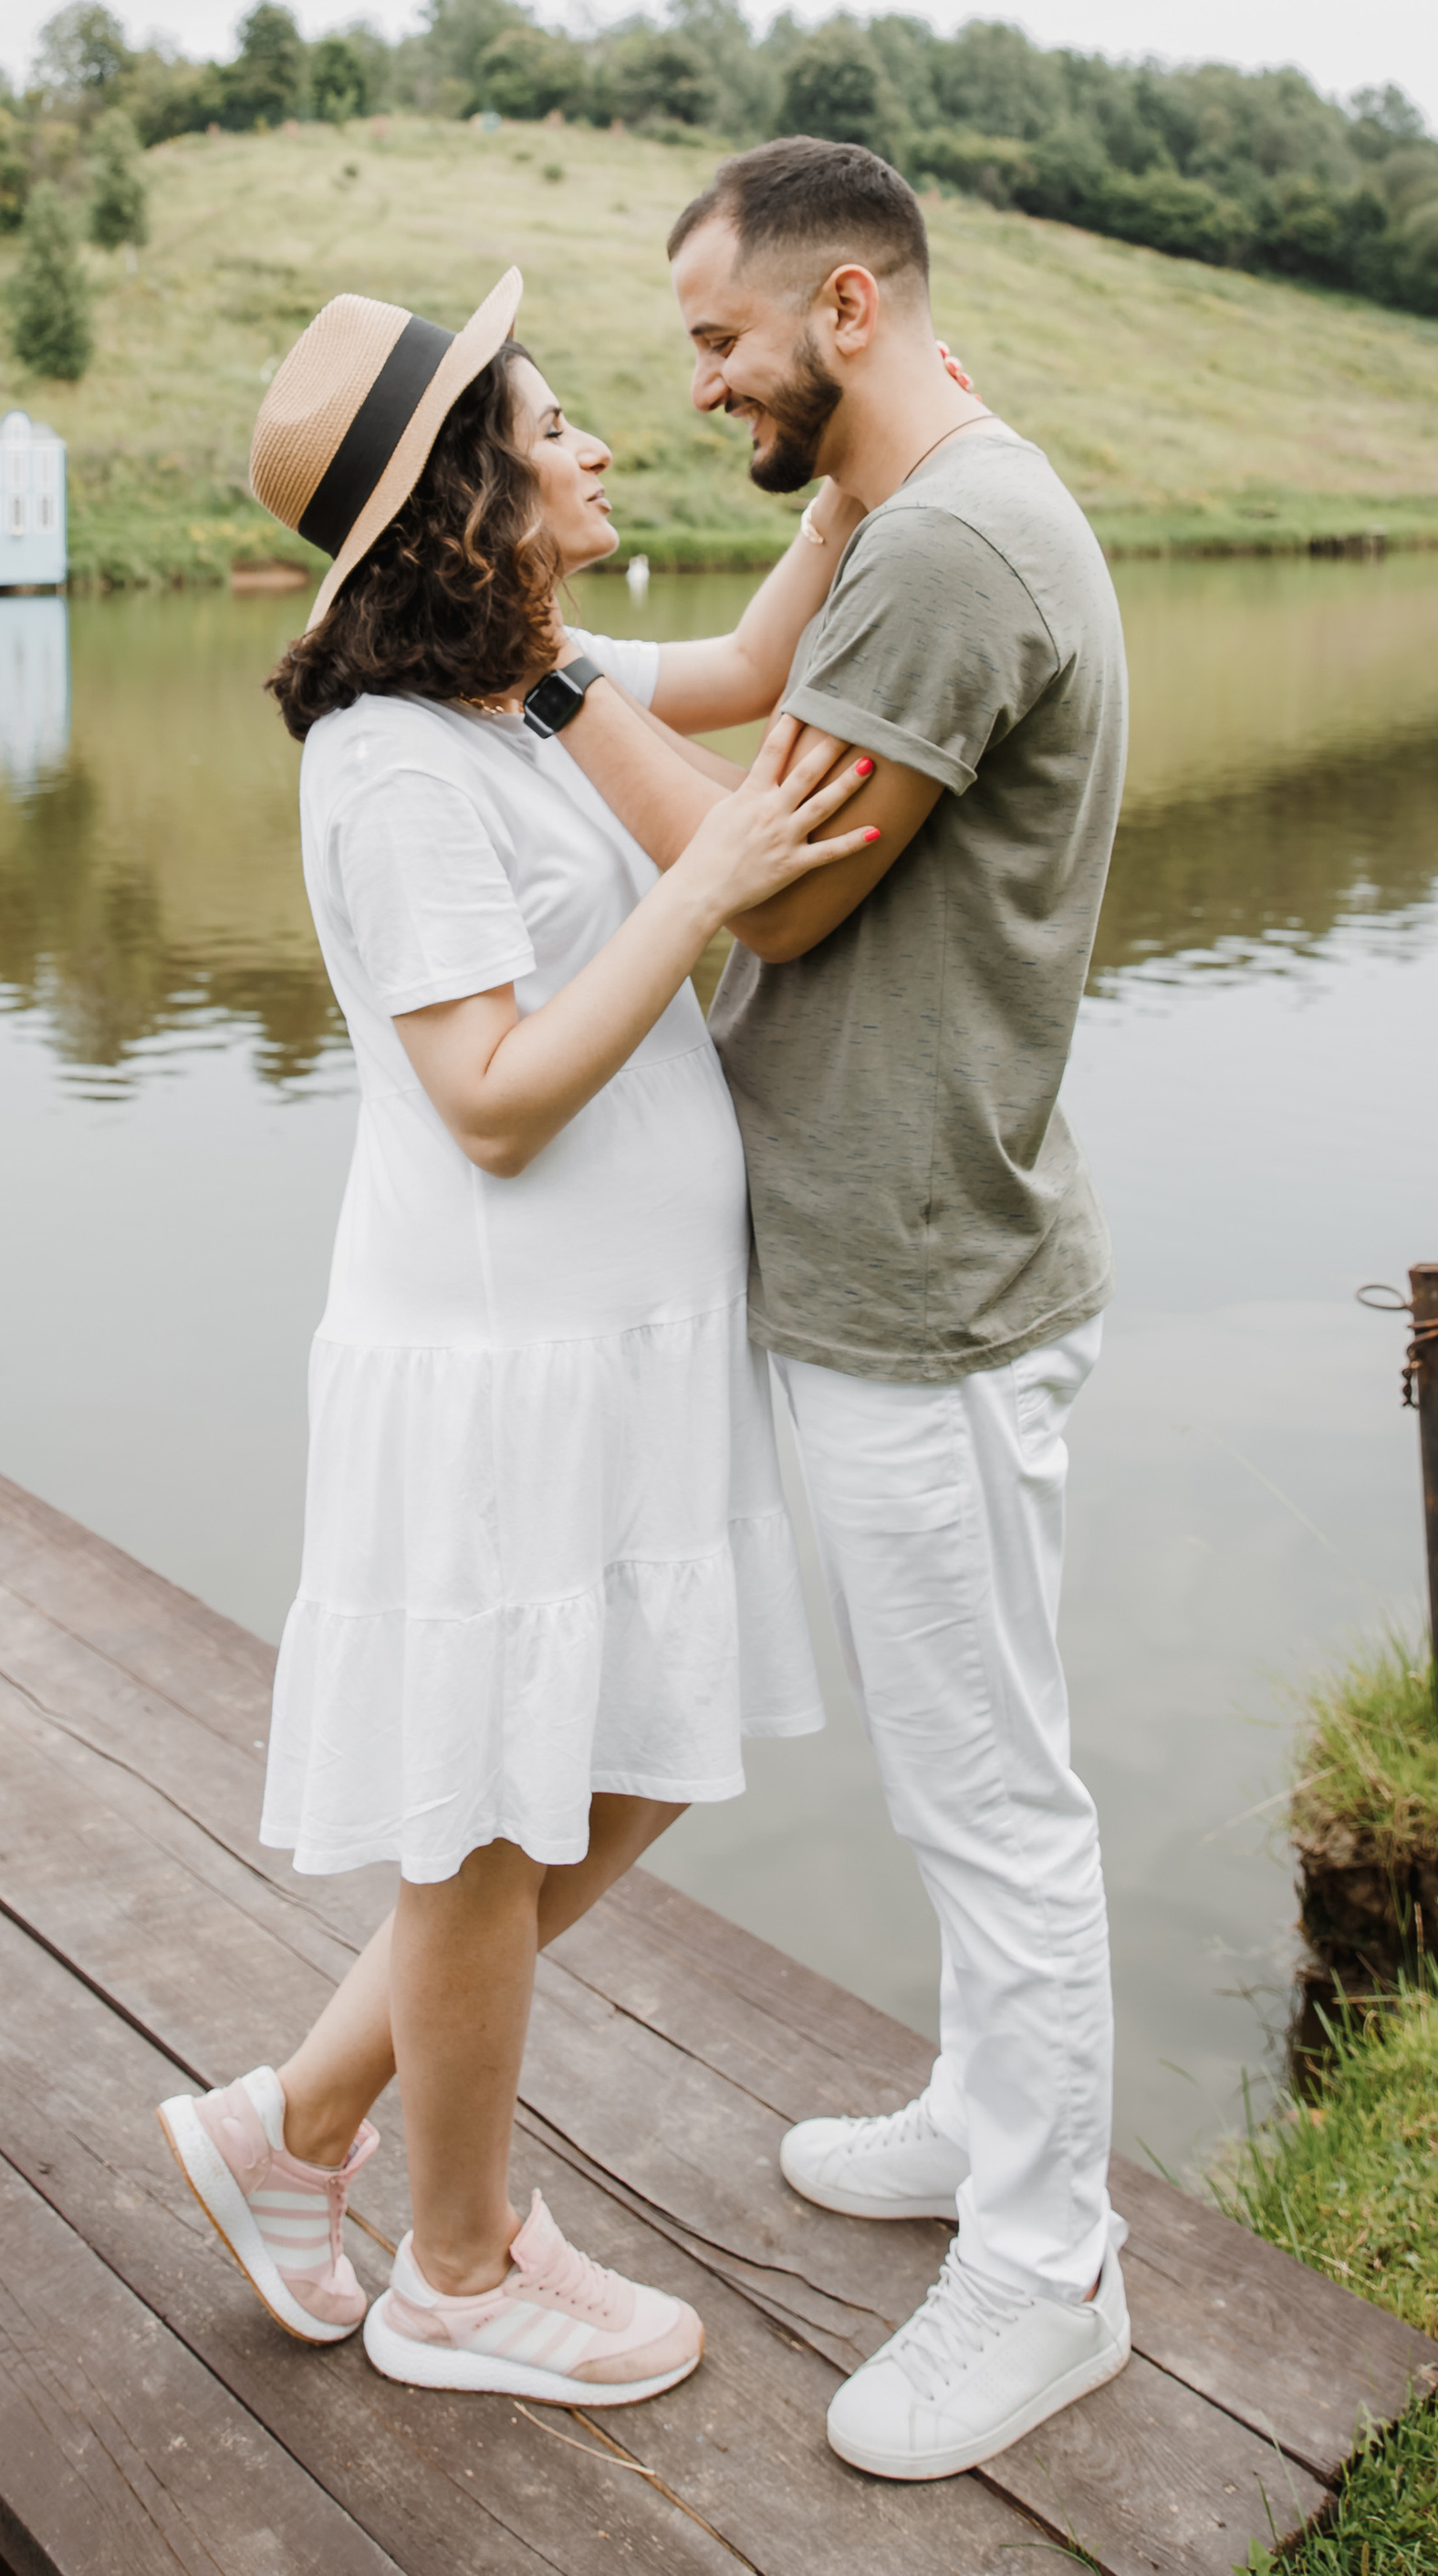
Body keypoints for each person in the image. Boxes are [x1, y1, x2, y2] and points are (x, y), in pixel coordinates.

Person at [159, 264, 875, 2409]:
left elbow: (752, 664)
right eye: (551, 429)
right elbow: (482, 1100)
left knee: (629, 1763)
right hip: (495, 1363)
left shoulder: (526, 684)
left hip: (621, 1349)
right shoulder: (392, 765)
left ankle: (285, 2122)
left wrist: (850, 439)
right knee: (479, 1823)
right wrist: (700, 886)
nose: (589, 448)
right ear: (475, 496)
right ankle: (453, 2271)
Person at [538, 137, 1131, 2482]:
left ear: (851, 311)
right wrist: (580, 651)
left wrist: (513, 668)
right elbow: (753, 677)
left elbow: (763, 899)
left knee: (991, 1793)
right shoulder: (907, 508)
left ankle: (1052, 2263)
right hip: (921, 1254)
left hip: (926, 1290)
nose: (689, 384)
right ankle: (990, 2108)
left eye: (718, 340)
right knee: (958, 1756)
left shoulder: (952, 554)